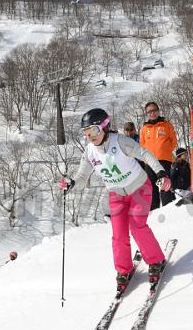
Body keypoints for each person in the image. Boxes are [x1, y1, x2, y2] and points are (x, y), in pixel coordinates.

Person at [59, 108, 171, 294]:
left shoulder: (120, 141)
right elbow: (82, 176)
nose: (90, 136)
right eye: (86, 132)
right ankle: (123, 270)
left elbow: (145, 154)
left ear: (104, 127)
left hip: (139, 188)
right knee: (118, 234)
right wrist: (72, 183)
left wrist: (160, 172)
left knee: (137, 226)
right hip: (116, 194)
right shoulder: (89, 152)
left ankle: (156, 260)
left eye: (94, 130)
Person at [139, 102, 177, 209]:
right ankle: (154, 212)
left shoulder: (167, 125)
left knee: (165, 187)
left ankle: (168, 210)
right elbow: (142, 145)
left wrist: (165, 150)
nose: (152, 113)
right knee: (152, 189)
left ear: (158, 111)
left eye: (154, 110)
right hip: (150, 163)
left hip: (164, 160)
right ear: (147, 114)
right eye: (149, 111)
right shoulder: (144, 129)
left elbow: (173, 141)